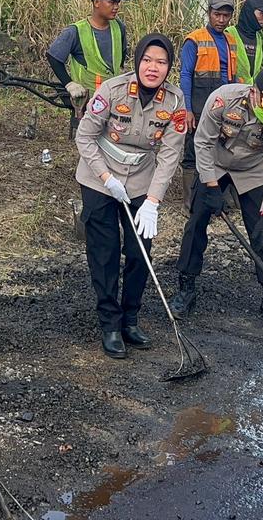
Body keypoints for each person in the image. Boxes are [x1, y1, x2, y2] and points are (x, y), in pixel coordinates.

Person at [75, 33, 186, 359]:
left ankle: (130, 319)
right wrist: (107, 179)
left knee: (140, 252)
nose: (153, 68)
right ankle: (110, 324)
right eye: (148, 60)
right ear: (138, 61)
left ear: (169, 67)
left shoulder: (175, 102)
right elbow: (85, 137)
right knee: (106, 251)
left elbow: (169, 155)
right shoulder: (112, 90)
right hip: (99, 178)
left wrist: (152, 203)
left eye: (161, 62)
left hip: (141, 180)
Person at [169, 64, 263, 330]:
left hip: (253, 170)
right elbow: (202, 143)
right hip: (215, 163)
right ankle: (186, 287)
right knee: (196, 222)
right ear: (254, 93)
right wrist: (212, 186)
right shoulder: (224, 99)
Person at [178, 0, 243, 207]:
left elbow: (233, 77)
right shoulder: (194, 39)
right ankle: (190, 198)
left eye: (226, 15)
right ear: (209, 14)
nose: (221, 20)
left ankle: (215, 192)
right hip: (198, 104)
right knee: (193, 149)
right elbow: (185, 75)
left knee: (220, 148)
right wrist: (187, 108)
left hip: (223, 107)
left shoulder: (231, 41)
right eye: (217, 14)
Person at [46, 0, 131, 120]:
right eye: (111, 2)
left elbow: (120, 58)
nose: (116, 7)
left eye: (118, 3)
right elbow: (53, 57)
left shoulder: (119, 28)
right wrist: (69, 84)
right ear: (97, 3)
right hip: (86, 99)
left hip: (113, 97)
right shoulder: (76, 31)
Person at [228, 0, 263, 85]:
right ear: (249, 13)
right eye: (262, 14)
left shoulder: (258, 38)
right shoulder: (229, 34)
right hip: (232, 90)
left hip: (252, 91)